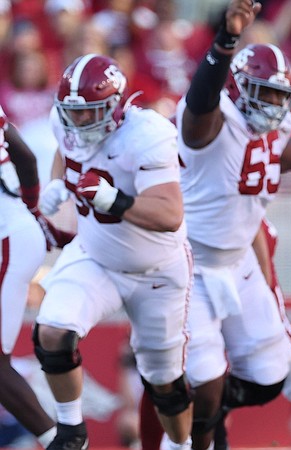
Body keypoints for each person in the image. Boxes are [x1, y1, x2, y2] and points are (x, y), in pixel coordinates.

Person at [173, 1, 291, 448]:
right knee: (205, 381)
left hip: (238, 262)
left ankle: (205, 413)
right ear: (237, 88)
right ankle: (194, 430)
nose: (274, 105)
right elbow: (200, 101)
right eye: (265, 93)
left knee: (269, 376)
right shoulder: (213, 121)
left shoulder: (273, 126)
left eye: (281, 95)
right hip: (189, 266)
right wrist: (224, 43)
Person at [34, 52, 193, 450]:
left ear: (116, 107)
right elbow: (65, 149)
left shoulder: (148, 133)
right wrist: (58, 184)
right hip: (97, 256)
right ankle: (71, 431)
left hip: (157, 268)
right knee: (53, 330)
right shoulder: (66, 121)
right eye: (73, 113)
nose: (80, 121)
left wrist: (115, 201)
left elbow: (170, 213)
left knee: (164, 380)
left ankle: (180, 445)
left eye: (90, 112)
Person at [0, 105, 73, 449]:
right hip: (15, 228)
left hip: (6, 239)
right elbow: (25, 158)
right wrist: (31, 210)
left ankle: (61, 442)